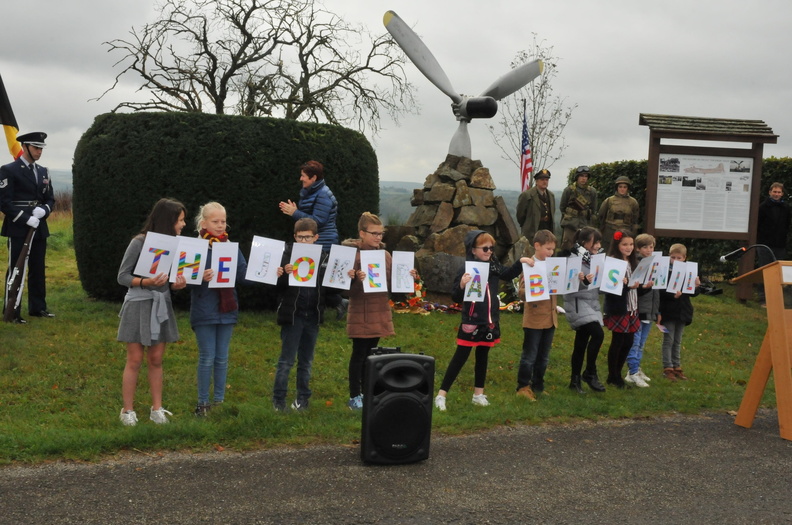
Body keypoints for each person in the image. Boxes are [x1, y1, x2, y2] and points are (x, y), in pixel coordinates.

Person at [434, 230, 527, 411]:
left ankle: (478, 395)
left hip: (490, 321)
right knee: (460, 357)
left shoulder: (494, 266)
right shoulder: (466, 268)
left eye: (492, 248)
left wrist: (521, 262)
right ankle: (441, 395)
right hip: (472, 321)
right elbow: (455, 297)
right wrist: (462, 285)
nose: (489, 251)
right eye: (485, 248)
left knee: (483, 357)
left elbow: (508, 274)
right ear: (473, 250)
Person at [117, 198, 188, 426]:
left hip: (161, 305)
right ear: (168, 220)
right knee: (135, 359)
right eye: (180, 220)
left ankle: (156, 409)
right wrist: (146, 282)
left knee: (156, 359)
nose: (183, 224)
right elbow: (122, 276)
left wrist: (177, 285)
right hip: (138, 305)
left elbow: (170, 279)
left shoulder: (176, 245)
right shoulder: (139, 242)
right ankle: (127, 410)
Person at [344, 212, 417, 410]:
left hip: (378, 310)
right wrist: (354, 279)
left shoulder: (385, 255)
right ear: (362, 233)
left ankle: (367, 392)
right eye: (374, 233)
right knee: (359, 355)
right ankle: (354, 395)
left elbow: (395, 286)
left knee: (371, 355)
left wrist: (408, 276)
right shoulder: (352, 256)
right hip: (360, 312)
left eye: (381, 233)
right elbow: (345, 291)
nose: (378, 237)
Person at [272, 218, 341, 412]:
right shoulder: (286, 256)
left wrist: (348, 278)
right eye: (300, 237)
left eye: (308, 237)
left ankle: (302, 399)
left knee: (306, 361)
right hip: (293, 315)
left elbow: (331, 288)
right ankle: (278, 400)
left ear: (316, 238)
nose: (304, 241)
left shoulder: (323, 257)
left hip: (313, 315)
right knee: (286, 360)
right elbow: (275, 287)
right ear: (295, 237)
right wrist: (283, 274)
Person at [190, 202, 248, 417]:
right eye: (215, 221)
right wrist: (199, 277)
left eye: (223, 221)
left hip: (227, 310)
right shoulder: (194, 247)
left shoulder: (230, 247)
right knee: (207, 357)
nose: (221, 225)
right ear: (203, 223)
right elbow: (181, 280)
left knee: (222, 358)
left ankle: (219, 402)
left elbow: (243, 274)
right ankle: (203, 403)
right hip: (204, 311)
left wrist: (269, 272)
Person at [0, 131, 55, 322]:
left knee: (38, 269)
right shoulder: (9, 170)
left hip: (39, 226)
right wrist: (25, 218)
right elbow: (4, 202)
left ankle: (38, 308)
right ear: (24, 147)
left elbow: (50, 198)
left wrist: (44, 210)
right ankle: (12, 310)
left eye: (41, 148)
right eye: (36, 148)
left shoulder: (43, 171)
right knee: (16, 269)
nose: (39, 152)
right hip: (19, 227)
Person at [561, 226, 606, 393]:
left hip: (591, 303)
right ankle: (590, 372)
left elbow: (597, 286)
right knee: (598, 334)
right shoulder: (573, 260)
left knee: (581, 343)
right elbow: (568, 285)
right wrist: (583, 281)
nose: (598, 245)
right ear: (584, 242)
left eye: (599, 242)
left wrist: (611, 283)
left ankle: (575, 381)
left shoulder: (595, 259)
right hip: (577, 304)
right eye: (595, 242)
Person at [515, 230, 558, 401]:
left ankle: (538, 385)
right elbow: (521, 292)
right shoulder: (530, 265)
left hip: (550, 317)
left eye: (553, 249)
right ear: (537, 246)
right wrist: (534, 289)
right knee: (530, 356)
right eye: (548, 249)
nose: (551, 252)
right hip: (534, 318)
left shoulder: (552, 266)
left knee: (543, 356)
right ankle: (523, 386)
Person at [602, 229, 640, 388]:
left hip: (632, 307)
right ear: (617, 245)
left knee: (629, 341)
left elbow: (636, 287)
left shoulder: (633, 261)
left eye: (631, 244)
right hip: (619, 307)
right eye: (625, 244)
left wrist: (644, 286)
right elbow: (611, 289)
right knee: (618, 341)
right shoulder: (613, 262)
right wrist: (626, 286)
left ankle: (617, 373)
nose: (628, 247)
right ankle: (613, 376)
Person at [658, 243, 700, 381]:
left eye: (679, 258)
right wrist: (672, 296)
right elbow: (660, 291)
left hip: (683, 312)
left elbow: (693, 293)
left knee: (677, 340)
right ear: (669, 257)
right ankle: (668, 367)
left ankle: (677, 366)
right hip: (668, 312)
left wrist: (697, 286)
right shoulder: (664, 271)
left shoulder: (689, 272)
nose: (675, 260)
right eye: (673, 257)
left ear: (684, 258)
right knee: (668, 340)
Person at [278, 160, 339, 251]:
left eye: (303, 176)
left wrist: (295, 212)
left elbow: (317, 221)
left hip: (323, 244)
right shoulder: (312, 192)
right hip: (315, 242)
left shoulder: (323, 194)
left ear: (313, 178)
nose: (301, 179)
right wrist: (295, 211)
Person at [624, 233, 659, 388]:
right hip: (638, 309)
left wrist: (657, 311)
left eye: (651, 247)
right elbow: (635, 290)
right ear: (638, 249)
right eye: (645, 247)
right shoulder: (637, 264)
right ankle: (632, 371)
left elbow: (656, 293)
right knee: (635, 342)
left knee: (641, 343)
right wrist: (645, 287)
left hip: (649, 311)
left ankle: (635, 369)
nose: (649, 250)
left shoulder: (655, 264)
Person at [756, 182, 790, 305]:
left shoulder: (786, 208)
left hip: (780, 245)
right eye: (774, 192)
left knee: (777, 272)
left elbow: (787, 225)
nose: (776, 194)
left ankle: (775, 298)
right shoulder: (763, 207)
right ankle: (763, 298)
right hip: (764, 244)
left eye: (779, 192)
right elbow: (757, 225)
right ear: (770, 192)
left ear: (782, 194)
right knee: (764, 270)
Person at [559, 165, 598, 252]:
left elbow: (594, 209)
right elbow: (562, 207)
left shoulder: (592, 192)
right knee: (567, 246)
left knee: (584, 247)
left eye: (586, 176)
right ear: (577, 177)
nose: (583, 178)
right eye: (581, 176)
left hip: (585, 224)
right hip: (570, 224)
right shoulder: (569, 190)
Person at [598, 176, 640, 252]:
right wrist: (603, 228)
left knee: (623, 250)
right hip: (610, 230)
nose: (622, 189)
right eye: (620, 187)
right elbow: (601, 215)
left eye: (624, 187)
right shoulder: (609, 200)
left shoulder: (633, 202)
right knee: (608, 251)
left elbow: (635, 218)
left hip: (625, 230)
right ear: (617, 188)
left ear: (628, 188)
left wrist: (633, 232)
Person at [516, 169, 555, 248]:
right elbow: (520, 215)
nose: (545, 182)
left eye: (546, 180)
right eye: (542, 179)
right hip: (532, 232)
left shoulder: (551, 195)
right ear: (536, 181)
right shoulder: (527, 195)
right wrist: (528, 226)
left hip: (547, 230)